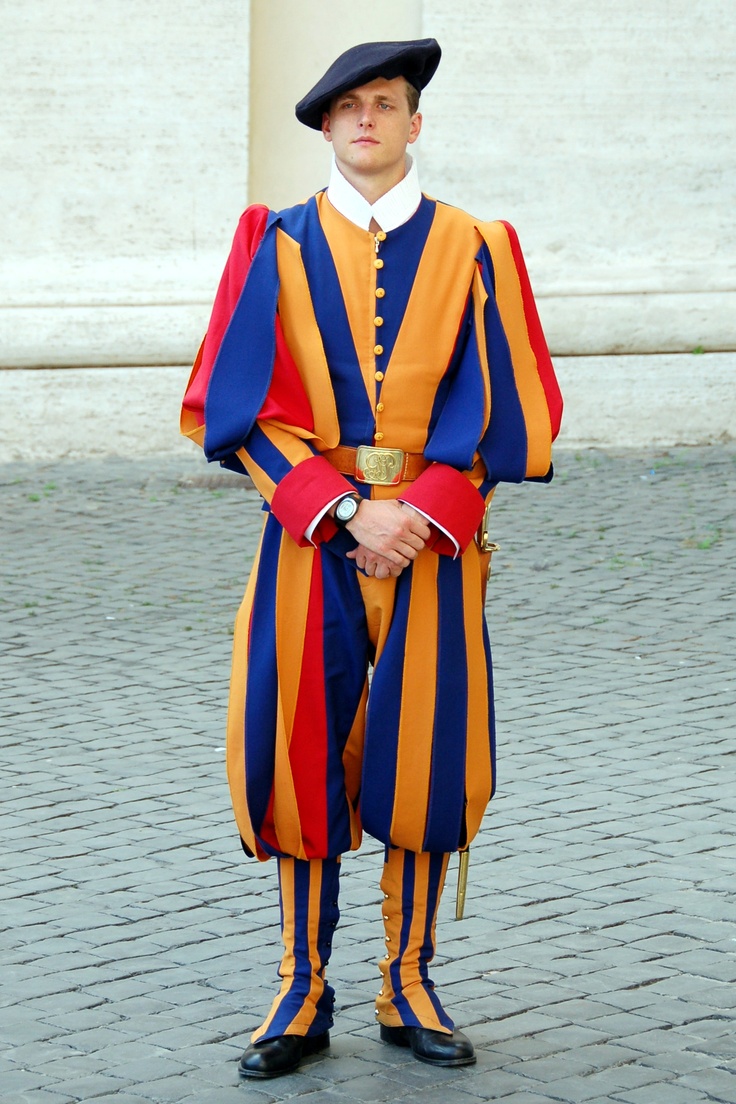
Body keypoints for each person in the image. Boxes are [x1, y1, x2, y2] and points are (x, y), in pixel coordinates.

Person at [181, 38, 562, 1079]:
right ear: (324, 127)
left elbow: (505, 410)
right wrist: (348, 511)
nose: (365, 122)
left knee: (424, 757)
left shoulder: (478, 245)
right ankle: (301, 987)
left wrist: (420, 513)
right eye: (347, 107)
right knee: (300, 751)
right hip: (312, 540)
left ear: (413, 122)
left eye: (385, 104)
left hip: (434, 544)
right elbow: (235, 405)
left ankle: (409, 976)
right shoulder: (276, 242)